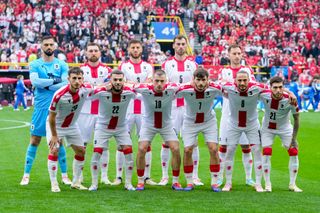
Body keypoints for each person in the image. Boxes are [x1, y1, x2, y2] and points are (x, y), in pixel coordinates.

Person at [20, 35, 71, 186]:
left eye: (51, 44)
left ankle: (64, 175)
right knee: (35, 140)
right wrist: (55, 81)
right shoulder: (35, 64)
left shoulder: (61, 64)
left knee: (58, 142)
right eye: (46, 44)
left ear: (55, 47)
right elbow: (35, 82)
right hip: (41, 108)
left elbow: (64, 83)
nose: (49, 47)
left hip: (58, 108)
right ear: (41, 46)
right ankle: (26, 174)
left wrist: (46, 84)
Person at [161, 35, 201, 186]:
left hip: (189, 107)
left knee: (193, 143)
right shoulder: (166, 64)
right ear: (173, 46)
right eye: (178, 44)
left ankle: (195, 176)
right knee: (167, 142)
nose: (180, 46)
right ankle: (165, 176)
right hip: (171, 108)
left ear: (186, 45)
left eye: (183, 44)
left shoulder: (193, 64)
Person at [134, 69, 183, 191]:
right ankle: (140, 181)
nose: (159, 84)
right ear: (152, 81)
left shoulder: (171, 89)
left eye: (162, 81)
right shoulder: (145, 89)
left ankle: (175, 181)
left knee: (176, 148)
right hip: (148, 124)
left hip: (166, 125)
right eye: (157, 81)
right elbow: (130, 86)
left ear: (166, 81)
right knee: (141, 148)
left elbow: (186, 86)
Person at [115, 39, 156, 186]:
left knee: (146, 143)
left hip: (144, 107)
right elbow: (122, 83)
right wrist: (140, 85)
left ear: (141, 49)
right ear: (129, 49)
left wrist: (134, 85)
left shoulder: (147, 66)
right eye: (133, 47)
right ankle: (119, 177)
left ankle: (146, 176)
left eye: (138, 47)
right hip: (128, 107)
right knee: (122, 142)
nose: (136, 50)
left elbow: (150, 83)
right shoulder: (124, 66)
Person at [89, 70, 136, 191]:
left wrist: (133, 85)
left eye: (120, 80)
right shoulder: (102, 92)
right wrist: (102, 86)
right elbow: (89, 95)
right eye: (115, 80)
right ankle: (94, 184)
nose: (118, 82)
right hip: (103, 127)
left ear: (123, 81)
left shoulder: (129, 92)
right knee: (97, 152)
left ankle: (128, 183)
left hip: (121, 127)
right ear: (110, 80)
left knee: (129, 152)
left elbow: (141, 93)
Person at [46, 67, 91, 192]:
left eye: (79, 78)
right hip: (56, 126)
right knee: (54, 150)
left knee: (81, 151)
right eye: (74, 78)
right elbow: (51, 117)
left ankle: (76, 182)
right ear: (68, 79)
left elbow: (99, 87)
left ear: (83, 79)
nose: (77, 81)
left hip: (72, 126)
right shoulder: (59, 95)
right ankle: (54, 183)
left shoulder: (85, 89)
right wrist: (54, 136)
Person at [176, 68, 222, 192]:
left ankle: (214, 182)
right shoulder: (185, 88)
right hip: (190, 122)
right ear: (193, 80)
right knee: (187, 150)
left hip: (209, 121)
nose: (201, 83)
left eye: (203, 80)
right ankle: (190, 182)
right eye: (198, 80)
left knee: (213, 149)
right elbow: (171, 91)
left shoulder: (214, 87)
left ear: (208, 80)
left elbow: (228, 89)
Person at [222, 70, 267, 192]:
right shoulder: (229, 86)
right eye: (239, 80)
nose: (242, 83)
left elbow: (273, 89)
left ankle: (258, 183)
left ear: (249, 80)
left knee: (257, 151)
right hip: (234, 124)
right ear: (235, 80)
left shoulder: (257, 87)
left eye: (244, 80)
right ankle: (228, 183)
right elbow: (212, 84)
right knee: (230, 151)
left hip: (252, 124)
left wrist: (290, 94)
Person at [218, 44, 256, 187]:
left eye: (239, 53)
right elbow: (222, 89)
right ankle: (220, 177)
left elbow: (252, 86)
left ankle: (248, 178)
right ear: (229, 55)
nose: (237, 56)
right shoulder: (224, 71)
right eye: (234, 53)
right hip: (228, 115)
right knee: (223, 147)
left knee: (246, 146)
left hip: (244, 114)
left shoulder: (247, 70)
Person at [260, 76, 302, 192]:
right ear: (270, 88)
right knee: (267, 152)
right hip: (268, 127)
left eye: (280, 87)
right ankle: (268, 184)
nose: (278, 90)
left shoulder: (290, 99)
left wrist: (294, 138)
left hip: (285, 128)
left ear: (283, 88)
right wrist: (289, 91)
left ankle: (292, 184)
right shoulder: (264, 94)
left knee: (294, 151)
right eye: (275, 88)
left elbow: (297, 119)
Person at [78, 43, 112, 185]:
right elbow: (82, 88)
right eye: (90, 51)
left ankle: (104, 176)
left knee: (104, 144)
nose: (93, 53)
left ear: (100, 53)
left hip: (103, 111)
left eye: (96, 51)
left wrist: (93, 88)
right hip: (84, 111)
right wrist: (100, 87)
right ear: (86, 53)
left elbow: (110, 86)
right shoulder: (80, 70)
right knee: (82, 144)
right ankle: (79, 175)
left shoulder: (107, 70)